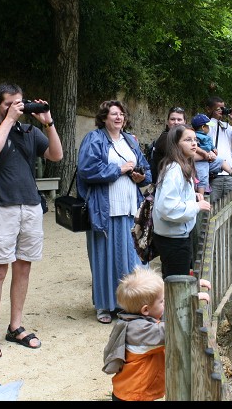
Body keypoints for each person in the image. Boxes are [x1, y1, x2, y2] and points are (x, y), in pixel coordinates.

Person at [0, 82, 63, 359]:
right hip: (1, 206)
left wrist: (48, 123)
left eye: (19, 103)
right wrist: (9, 120)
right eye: (9, 103)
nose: (16, 108)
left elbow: (56, 155)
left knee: (23, 269)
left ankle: (16, 326)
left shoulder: (30, 131)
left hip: (31, 206)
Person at [77, 100, 152, 324]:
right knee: (104, 259)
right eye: (113, 114)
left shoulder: (130, 140)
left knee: (131, 259)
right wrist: (118, 169)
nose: (118, 118)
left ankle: (132, 305)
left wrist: (141, 176)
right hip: (105, 209)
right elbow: (87, 170)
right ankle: (104, 306)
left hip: (130, 208)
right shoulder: (94, 139)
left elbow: (146, 169)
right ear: (104, 118)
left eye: (121, 114)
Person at [151, 124, 211, 278]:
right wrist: (196, 206)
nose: (194, 144)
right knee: (176, 282)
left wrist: (192, 196)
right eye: (188, 140)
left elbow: (177, 195)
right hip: (173, 239)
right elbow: (168, 208)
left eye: (195, 140)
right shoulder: (174, 170)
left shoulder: (181, 166)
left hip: (176, 235)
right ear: (176, 144)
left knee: (176, 279)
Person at [102, 266, 166, 401]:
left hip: (129, 391)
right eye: (162, 301)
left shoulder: (133, 321)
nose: (166, 304)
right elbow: (169, 331)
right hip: (134, 395)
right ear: (146, 310)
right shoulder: (141, 331)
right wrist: (190, 301)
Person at [204, 96, 232, 203]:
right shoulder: (207, 125)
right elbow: (207, 130)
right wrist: (214, 118)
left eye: (223, 108)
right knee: (212, 207)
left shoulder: (227, 126)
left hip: (229, 174)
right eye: (218, 108)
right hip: (213, 175)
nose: (222, 111)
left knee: (229, 207)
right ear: (209, 109)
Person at [190, 113, 232, 197]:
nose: (209, 128)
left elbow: (210, 144)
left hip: (208, 159)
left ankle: (231, 171)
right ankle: (201, 196)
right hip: (200, 162)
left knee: (221, 161)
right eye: (208, 126)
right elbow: (195, 147)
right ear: (203, 127)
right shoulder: (196, 136)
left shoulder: (206, 136)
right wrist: (204, 153)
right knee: (202, 178)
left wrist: (213, 148)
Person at [148, 106, 187, 185]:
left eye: (179, 119)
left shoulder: (181, 137)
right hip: (166, 182)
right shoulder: (165, 138)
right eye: (172, 119)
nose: (176, 122)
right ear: (167, 122)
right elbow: (180, 155)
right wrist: (206, 156)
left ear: (184, 122)